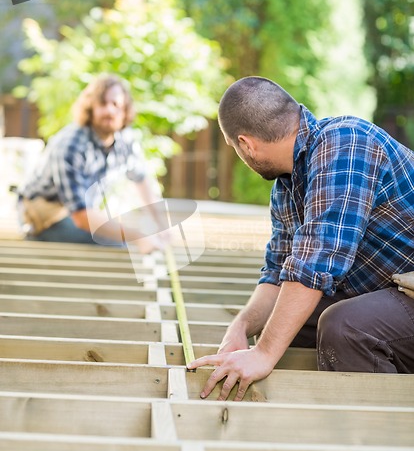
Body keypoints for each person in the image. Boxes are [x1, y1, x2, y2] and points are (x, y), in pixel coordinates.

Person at [188, 76, 414, 400]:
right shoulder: (286, 188)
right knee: (286, 328)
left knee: (345, 327)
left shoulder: (345, 144)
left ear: (246, 144)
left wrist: (263, 354)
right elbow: (278, 275)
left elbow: (315, 261)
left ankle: (378, 444)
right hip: (394, 294)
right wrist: (242, 327)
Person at [20, 74, 166, 253]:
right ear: (91, 108)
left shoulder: (125, 140)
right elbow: (81, 217)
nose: (110, 111)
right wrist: (138, 236)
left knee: (120, 238)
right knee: (116, 245)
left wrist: (160, 224)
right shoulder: (71, 145)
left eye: (116, 105)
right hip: (45, 216)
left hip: (79, 212)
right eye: (103, 104)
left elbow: (141, 180)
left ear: (125, 110)